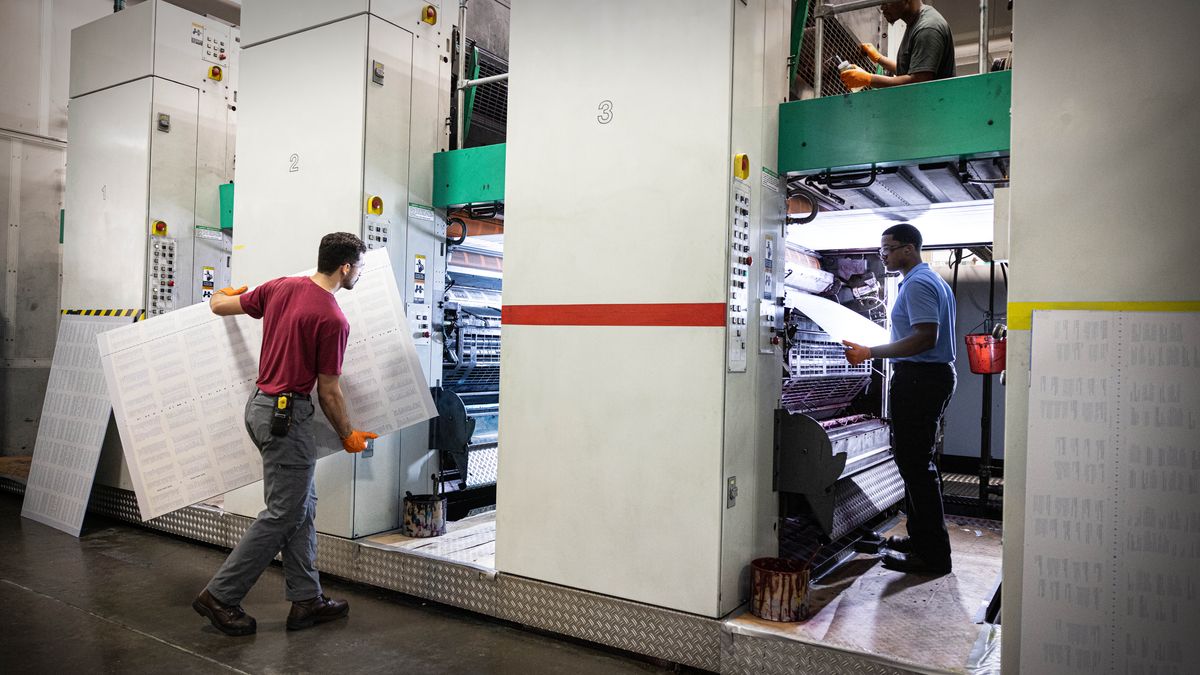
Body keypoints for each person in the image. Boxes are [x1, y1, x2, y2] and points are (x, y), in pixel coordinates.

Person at [192, 232, 380, 635]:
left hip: (260, 409)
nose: (359, 274)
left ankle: (306, 599)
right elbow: (329, 391)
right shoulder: (332, 318)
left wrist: (221, 294)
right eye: (359, 267)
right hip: (287, 418)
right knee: (283, 514)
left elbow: (220, 305)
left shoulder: (280, 287)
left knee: (301, 507)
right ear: (346, 267)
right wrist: (348, 435)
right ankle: (220, 596)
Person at [842, 223, 956, 575]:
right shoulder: (926, 280)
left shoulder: (920, 283)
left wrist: (869, 352)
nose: (884, 255)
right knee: (915, 465)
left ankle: (932, 556)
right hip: (926, 378)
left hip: (921, 378)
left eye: (888, 249)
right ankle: (921, 540)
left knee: (917, 468)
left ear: (909, 249)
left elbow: (925, 338)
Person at [839, 0, 955, 90]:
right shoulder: (915, 23)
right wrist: (879, 59)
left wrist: (869, 79)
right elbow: (910, 72)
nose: (882, 7)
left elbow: (919, 82)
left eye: (886, 2)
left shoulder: (928, 28)